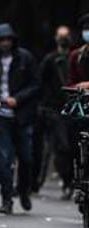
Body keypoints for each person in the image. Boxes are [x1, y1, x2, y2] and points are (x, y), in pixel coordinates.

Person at [0, 23, 40, 215]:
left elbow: (36, 84)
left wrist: (18, 99)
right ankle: (7, 199)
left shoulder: (25, 58)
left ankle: (23, 190)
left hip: (22, 115)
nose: (5, 43)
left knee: (26, 157)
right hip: (0, 116)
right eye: (1, 40)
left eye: (8, 40)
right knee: (4, 159)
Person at [39, 25, 73, 196]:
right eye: (61, 36)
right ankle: (68, 181)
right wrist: (45, 106)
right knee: (61, 146)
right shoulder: (49, 60)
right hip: (55, 108)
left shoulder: (75, 57)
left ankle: (72, 181)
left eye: (65, 36)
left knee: (73, 144)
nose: (63, 39)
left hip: (75, 106)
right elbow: (41, 83)